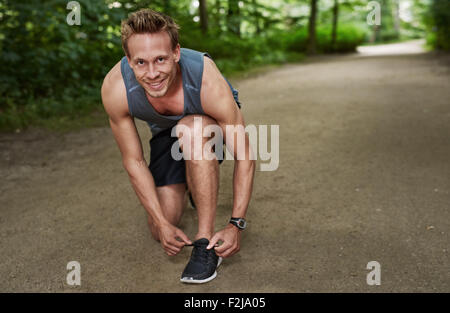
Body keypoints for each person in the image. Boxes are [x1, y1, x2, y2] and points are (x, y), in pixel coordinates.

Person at [101, 8, 255, 284]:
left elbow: (245, 156)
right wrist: (161, 222)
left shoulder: (206, 79)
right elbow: (134, 161)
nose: (152, 73)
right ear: (129, 60)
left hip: (207, 130)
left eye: (160, 59)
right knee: (160, 223)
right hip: (167, 136)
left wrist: (236, 224)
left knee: (192, 130)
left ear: (176, 53)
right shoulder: (115, 88)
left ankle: (204, 243)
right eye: (141, 62)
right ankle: (195, 184)